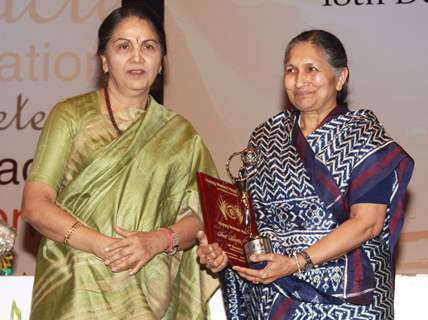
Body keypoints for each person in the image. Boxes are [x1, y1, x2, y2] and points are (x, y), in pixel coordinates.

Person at [197, 29, 414, 319]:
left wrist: (297, 263)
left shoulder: (363, 138)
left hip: (348, 303)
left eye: (312, 69)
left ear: (340, 77)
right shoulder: (266, 138)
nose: (300, 81)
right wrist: (224, 252)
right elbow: (249, 224)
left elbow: (367, 225)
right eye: (291, 70)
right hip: (277, 296)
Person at [21, 4, 218, 319]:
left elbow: (203, 217)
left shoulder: (181, 135)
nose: (137, 57)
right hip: (75, 284)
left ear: (162, 63)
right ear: (104, 60)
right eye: (124, 46)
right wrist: (100, 245)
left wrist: (156, 241)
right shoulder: (71, 115)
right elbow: (35, 204)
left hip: (148, 292)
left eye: (149, 47)